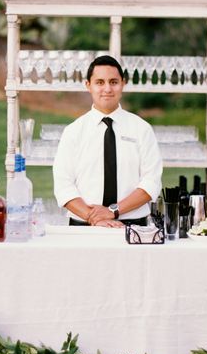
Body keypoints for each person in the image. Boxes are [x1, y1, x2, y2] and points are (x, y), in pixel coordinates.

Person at [53, 55, 162, 227]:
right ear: (88, 85)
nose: (107, 88)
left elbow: (151, 182)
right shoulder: (73, 131)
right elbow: (63, 185)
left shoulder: (142, 129)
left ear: (123, 84)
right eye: (100, 82)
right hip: (84, 225)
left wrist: (113, 211)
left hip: (133, 225)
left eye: (113, 82)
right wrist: (93, 217)